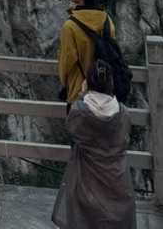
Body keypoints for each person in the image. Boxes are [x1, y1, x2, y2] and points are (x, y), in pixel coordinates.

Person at [52, 58, 135, 229]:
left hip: (85, 181)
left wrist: (83, 95)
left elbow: (72, 131)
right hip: (117, 180)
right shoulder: (123, 113)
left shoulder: (79, 112)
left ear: (87, 82)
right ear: (111, 83)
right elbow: (124, 139)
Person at [58, 0, 117, 108]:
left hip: (79, 95)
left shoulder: (70, 26)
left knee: (79, 128)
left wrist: (66, 83)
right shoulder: (107, 21)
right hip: (105, 95)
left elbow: (66, 63)